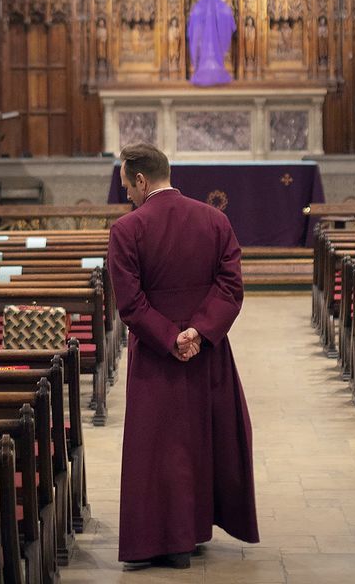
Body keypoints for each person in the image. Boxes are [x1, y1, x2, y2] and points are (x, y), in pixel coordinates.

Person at [107, 143, 259, 569]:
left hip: (157, 357)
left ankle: (165, 539)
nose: (128, 197)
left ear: (141, 179)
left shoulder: (126, 230)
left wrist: (170, 338)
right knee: (201, 440)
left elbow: (130, 304)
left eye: (127, 187)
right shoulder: (215, 221)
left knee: (161, 448)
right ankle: (194, 529)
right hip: (208, 353)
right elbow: (230, 287)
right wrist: (200, 331)